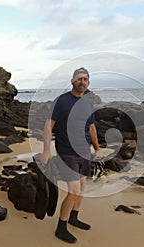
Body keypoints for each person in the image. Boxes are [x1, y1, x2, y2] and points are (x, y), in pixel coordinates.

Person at [40, 67, 100, 243]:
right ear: (73, 81)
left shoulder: (88, 103)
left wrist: (96, 148)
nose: (83, 82)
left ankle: (74, 217)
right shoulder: (62, 101)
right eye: (80, 79)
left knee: (81, 189)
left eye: (86, 79)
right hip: (67, 152)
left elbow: (91, 127)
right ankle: (61, 227)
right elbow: (48, 125)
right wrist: (46, 150)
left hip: (84, 152)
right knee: (73, 191)